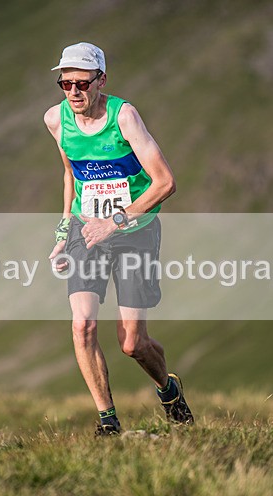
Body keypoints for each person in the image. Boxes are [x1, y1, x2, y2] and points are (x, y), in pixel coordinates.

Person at [44, 42, 193, 435]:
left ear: (101, 80)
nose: (73, 92)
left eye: (81, 84)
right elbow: (72, 175)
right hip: (85, 229)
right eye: (65, 84)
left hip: (134, 232)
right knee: (83, 325)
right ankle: (108, 422)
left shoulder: (123, 116)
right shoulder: (55, 120)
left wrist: (115, 222)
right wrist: (64, 230)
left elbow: (165, 183)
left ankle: (168, 389)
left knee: (132, 344)